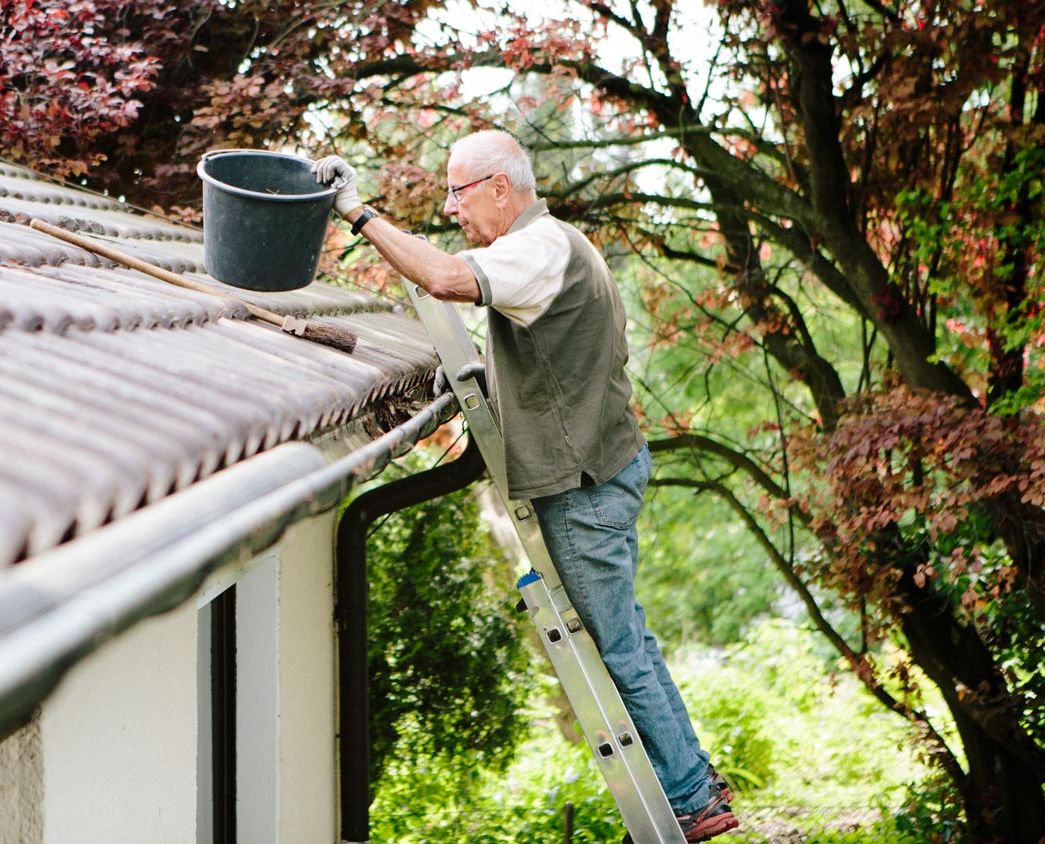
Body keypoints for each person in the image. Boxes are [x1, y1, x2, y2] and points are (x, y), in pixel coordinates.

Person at [315, 131, 738, 842]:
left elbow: (447, 278)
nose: (453, 208)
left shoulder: (537, 251)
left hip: (581, 487)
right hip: (604, 467)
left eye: (459, 192)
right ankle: (694, 777)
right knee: (629, 638)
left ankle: (691, 799)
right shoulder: (561, 243)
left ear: (500, 188)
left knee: (617, 649)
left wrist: (357, 213)